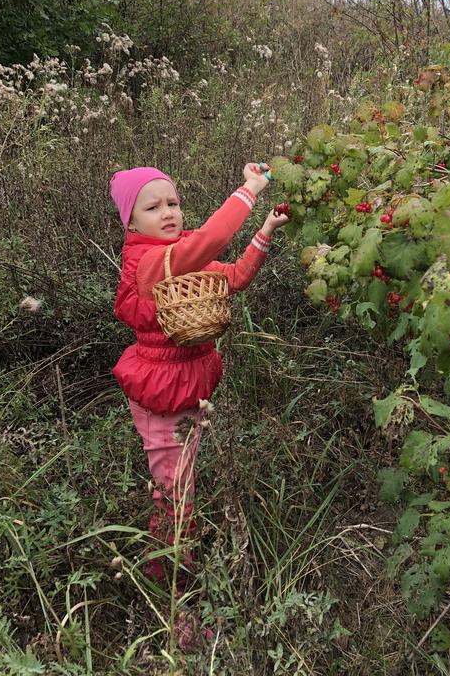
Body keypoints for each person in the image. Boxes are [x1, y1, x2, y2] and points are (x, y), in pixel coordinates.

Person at [109, 162, 289, 648]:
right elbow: (207, 243)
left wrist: (265, 233)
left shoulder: (176, 254)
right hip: (161, 390)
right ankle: (175, 605)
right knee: (177, 496)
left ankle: (160, 563)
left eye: (172, 202)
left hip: (187, 384)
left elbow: (230, 278)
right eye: (153, 207)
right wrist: (249, 191)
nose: (168, 213)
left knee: (176, 485)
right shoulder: (148, 263)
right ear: (131, 222)